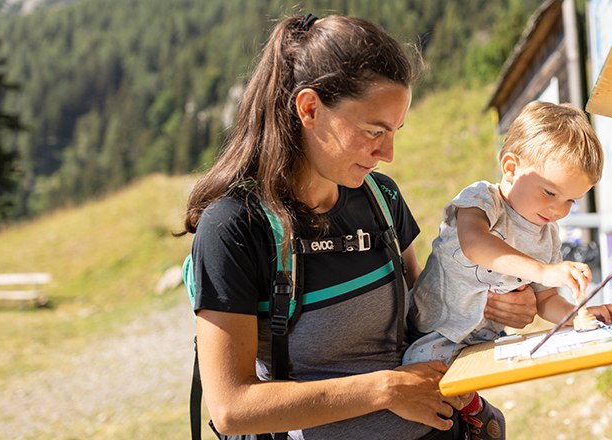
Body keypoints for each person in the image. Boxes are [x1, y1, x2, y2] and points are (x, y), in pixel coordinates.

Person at [180, 13, 538, 440]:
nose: (387, 153)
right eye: (373, 130)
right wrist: (384, 390)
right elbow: (231, 408)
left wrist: (483, 306)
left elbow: (421, 320)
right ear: (309, 108)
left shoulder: (380, 199)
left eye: (394, 132)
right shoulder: (235, 228)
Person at [404, 101, 612, 368]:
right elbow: (474, 244)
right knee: (427, 383)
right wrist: (544, 271)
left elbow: (546, 300)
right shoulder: (482, 199)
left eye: (571, 201)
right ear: (510, 169)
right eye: (550, 193)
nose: (558, 209)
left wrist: (579, 314)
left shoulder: (548, 235)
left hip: (482, 342)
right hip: (431, 332)